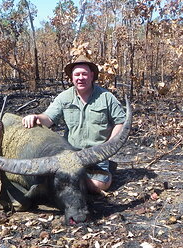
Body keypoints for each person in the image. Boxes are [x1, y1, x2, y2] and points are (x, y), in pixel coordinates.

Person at [22, 55, 126, 194]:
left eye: (84, 74)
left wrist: (109, 145)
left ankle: (102, 173)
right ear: (72, 78)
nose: (80, 78)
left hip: (97, 154)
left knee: (97, 186)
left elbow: (120, 122)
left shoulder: (106, 97)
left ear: (91, 76)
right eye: (77, 74)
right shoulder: (64, 97)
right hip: (70, 155)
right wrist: (36, 117)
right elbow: (48, 119)